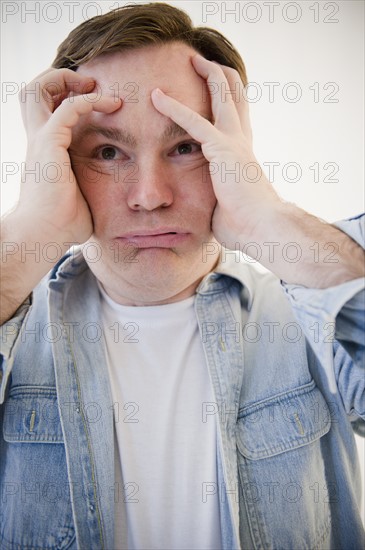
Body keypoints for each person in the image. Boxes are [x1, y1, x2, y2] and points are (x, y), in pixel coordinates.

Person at [0, 2, 364, 549]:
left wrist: (269, 218)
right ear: (62, 164)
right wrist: (30, 228)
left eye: (187, 146)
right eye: (107, 151)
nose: (150, 196)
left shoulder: (310, 312)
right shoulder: (14, 320)